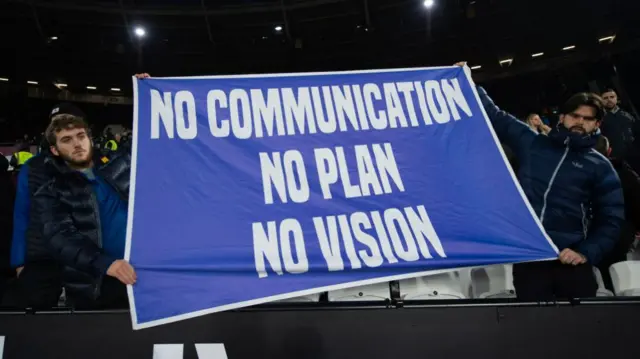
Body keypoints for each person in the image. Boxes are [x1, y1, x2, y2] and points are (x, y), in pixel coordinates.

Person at [456, 63, 624, 300]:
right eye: (575, 115)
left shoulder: (601, 166)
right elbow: (497, 117)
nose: (580, 122)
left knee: (579, 332)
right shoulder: (533, 144)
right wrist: (470, 83)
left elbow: (612, 219)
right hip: (531, 258)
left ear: (596, 125)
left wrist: (585, 252)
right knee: (533, 330)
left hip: (572, 263)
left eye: (588, 119)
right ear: (562, 117)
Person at [33, 114, 136, 309]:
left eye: (81, 136)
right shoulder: (50, 192)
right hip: (98, 287)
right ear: (54, 150)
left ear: (89, 138)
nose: (77, 143)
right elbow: (61, 239)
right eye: (67, 140)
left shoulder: (121, 163)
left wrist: (148, 89)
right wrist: (106, 264)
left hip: (146, 274)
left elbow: (152, 135)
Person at [8, 104, 85, 308]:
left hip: (88, 258)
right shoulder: (32, 168)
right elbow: (22, 216)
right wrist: (18, 262)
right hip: (42, 258)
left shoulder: (101, 166)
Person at [594, 135, 640, 290]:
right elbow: (637, 205)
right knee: (615, 276)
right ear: (609, 151)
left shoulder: (576, 171)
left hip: (590, 234)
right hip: (619, 234)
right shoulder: (627, 175)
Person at [600, 88, 638, 161]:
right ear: (601, 101)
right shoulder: (599, 119)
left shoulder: (629, 114)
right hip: (617, 158)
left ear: (617, 98)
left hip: (635, 154)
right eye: (605, 98)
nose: (609, 100)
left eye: (612, 97)